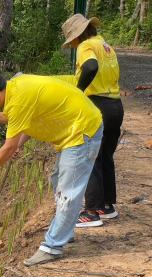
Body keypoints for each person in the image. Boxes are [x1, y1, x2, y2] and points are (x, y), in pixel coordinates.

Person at [0, 71, 103, 266]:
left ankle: (52, 246)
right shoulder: (16, 87)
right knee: (58, 180)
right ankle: (65, 231)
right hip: (72, 130)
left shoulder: (18, 100)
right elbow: (23, 119)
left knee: (68, 191)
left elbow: (9, 147)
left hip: (82, 130)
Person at [61, 14, 124, 227]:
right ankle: (106, 206)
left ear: (77, 36)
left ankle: (91, 212)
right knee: (105, 156)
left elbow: (90, 67)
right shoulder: (105, 45)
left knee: (90, 157)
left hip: (97, 105)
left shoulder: (86, 46)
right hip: (115, 104)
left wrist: (78, 92)